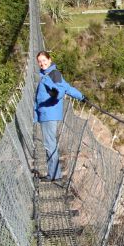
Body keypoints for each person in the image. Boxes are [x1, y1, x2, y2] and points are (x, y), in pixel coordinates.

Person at [33, 51, 85, 182]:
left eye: (44, 60)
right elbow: (67, 88)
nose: (42, 63)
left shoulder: (53, 74)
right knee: (50, 144)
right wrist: (81, 96)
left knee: (49, 145)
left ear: (50, 60)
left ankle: (54, 175)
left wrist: (56, 93)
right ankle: (54, 174)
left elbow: (60, 90)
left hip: (48, 114)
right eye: (39, 61)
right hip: (48, 114)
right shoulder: (50, 74)